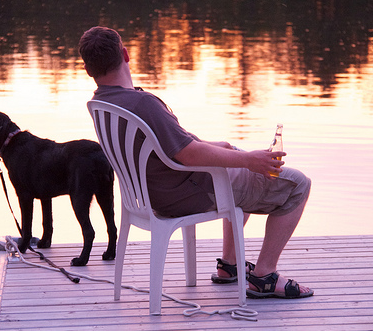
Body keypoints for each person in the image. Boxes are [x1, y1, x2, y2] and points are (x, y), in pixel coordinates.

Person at [79, 26, 313, 299]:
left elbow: (173, 146)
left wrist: (228, 150)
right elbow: (187, 154)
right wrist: (249, 161)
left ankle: (230, 266)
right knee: (298, 184)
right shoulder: (142, 104)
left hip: (156, 193)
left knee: (230, 152)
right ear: (126, 54)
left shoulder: (102, 104)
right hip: (189, 191)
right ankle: (265, 276)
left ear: (87, 69)